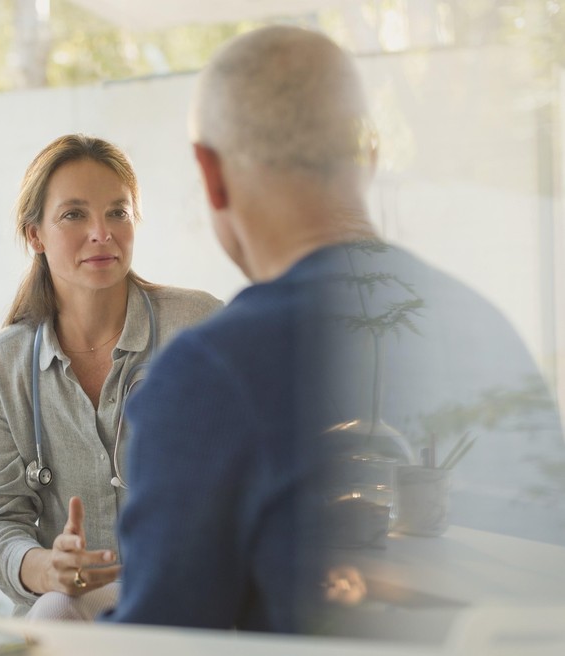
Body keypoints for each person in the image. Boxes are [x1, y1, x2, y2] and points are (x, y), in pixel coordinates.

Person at [104, 26, 565, 634]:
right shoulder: (485, 328)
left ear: (210, 174)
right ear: (369, 154)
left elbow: (157, 642)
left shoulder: (211, 375)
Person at [0, 134, 222, 619]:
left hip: (190, 598)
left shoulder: (198, 327)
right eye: (74, 214)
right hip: (71, 609)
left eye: (117, 212)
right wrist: (47, 568)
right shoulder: (6, 364)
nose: (102, 233)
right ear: (35, 236)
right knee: (56, 610)